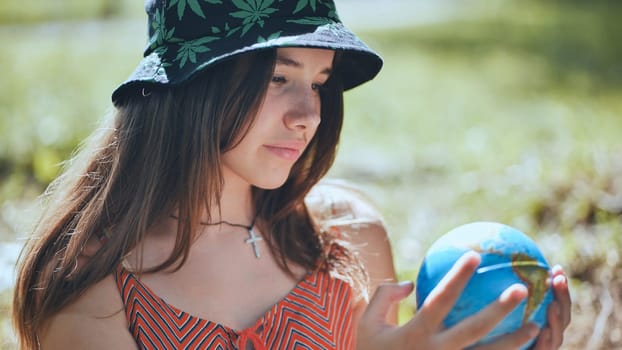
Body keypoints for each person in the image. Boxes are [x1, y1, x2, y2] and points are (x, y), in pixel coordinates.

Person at [12, 1, 571, 349]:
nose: (308, 115)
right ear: (194, 85)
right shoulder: (94, 288)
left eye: (320, 81)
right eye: (279, 78)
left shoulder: (346, 238)